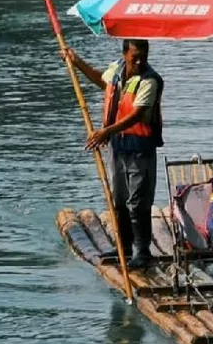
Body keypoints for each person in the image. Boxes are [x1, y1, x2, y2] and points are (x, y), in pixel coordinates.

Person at [67, 40, 164, 269]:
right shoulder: (117, 69)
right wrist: (77, 62)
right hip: (118, 147)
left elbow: (137, 115)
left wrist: (105, 132)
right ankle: (124, 247)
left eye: (143, 57)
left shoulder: (150, 80)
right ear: (125, 54)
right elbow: (102, 80)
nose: (139, 62)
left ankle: (142, 252)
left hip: (141, 149)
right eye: (135, 57)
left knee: (138, 202)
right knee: (119, 200)